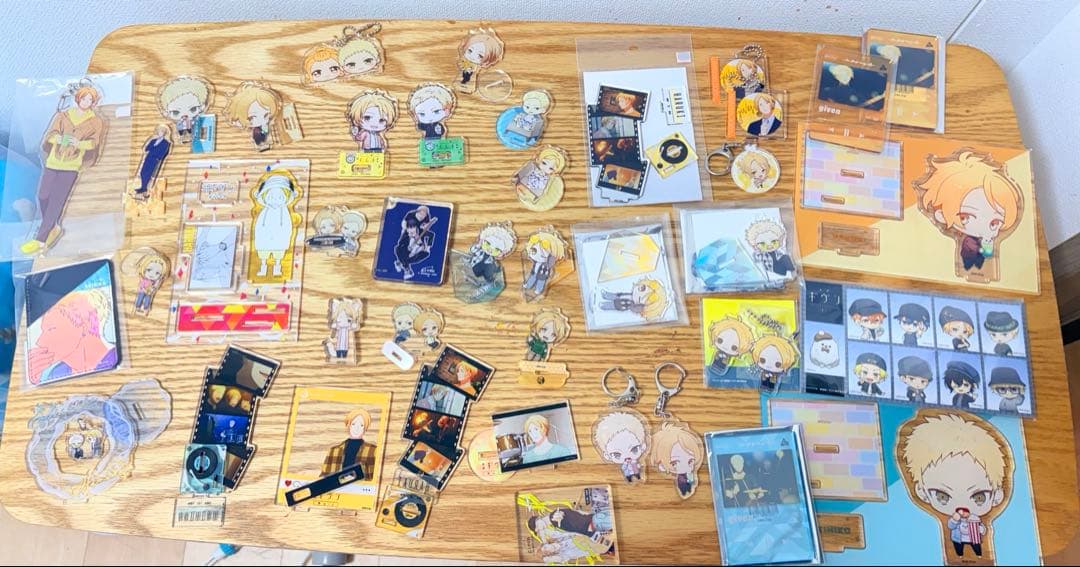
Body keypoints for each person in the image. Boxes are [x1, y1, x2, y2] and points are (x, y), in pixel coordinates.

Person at [899, 412, 1010, 561]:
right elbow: (951, 526)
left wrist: (980, 529)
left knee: (976, 549)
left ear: (997, 495)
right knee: (958, 549)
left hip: (976, 540)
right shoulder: (948, 523)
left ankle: (975, 555)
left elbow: (982, 529)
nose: (962, 506)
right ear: (922, 492)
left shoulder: (975, 518)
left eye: (979, 497)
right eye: (942, 496)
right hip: (956, 539)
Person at [21, 82, 107, 255]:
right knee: (43, 196)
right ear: (78, 98)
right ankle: (52, 226)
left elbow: (94, 143)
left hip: (72, 165)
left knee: (57, 200)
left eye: (90, 100)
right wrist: (60, 139)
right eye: (84, 98)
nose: (86, 102)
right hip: (53, 161)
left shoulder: (96, 121)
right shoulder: (63, 115)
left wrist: (79, 143)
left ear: (94, 102)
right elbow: (50, 135)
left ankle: (40, 240)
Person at [914, 150, 1024, 274]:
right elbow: (977, 257)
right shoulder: (966, 242)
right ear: (941, 216)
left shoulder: (986, 239)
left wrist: (987, 242)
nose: (984, 226)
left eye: (994, 222)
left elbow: (988, 254)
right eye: (965, 217)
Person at [27, 288, 117, 384]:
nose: (40, 342)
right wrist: (39, 382)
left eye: (51, 329)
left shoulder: (114, 359)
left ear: (84, 326)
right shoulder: (57, 373)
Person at [250, 171, 300, 279]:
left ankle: (277, 268)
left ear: (287, 197)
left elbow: (287, 226)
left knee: (278, 254)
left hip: (279, 238)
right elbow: (259, 226)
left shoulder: (284, 212)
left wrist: (285, 236)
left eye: (280, 197)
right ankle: (263, 268)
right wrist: (260, 236)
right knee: (263, 254)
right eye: (271, 197)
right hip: (264, 238)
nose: (275, 201)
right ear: (264, 196)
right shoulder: (264, 211)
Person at [650, 421, 704, 499]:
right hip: (680, 482)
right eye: (675, 463)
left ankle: (687, 489)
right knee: (683, 485)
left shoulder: (690, 473)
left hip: (689, 479)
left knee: (689, 482)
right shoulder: (679, 477)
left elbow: (692, 479)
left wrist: (691, 479)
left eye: (690, 460)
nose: (686, 465)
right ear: (662, 465)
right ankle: (685, 490)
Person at [593, 411, 649, 483]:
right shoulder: (624, 465)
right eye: (617, 455)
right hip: (627, 474)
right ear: (607, 456)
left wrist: (638, 466)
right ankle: (630, 479)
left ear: (643, 446)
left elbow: (637, 466)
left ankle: (637, 477)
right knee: (629, 477)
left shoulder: (634, 461)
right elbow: (624, 468)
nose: (627, 456)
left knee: (637, 475)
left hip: (636, 472)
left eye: (634, 450)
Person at [322, 408, 378, 480]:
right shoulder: (334, 451)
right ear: (348, 425)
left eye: (361, 425)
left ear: (365, 428)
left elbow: (374, 479)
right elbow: (323, 478)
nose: (357, 428)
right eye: (353, 424)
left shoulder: (373, 451)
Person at [156, 76, 212, 144]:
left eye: (193, 109)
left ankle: (191, 137)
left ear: (202, 106)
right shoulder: (179, 122)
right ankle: (183, 138)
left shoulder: (194, 119)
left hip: (191, 128)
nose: (185, 114)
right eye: (176, 112)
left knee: (191, 132)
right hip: (181, 128)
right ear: (166, 112)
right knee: (182, 134)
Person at [393, 206, 437, 280]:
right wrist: (408, 231)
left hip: (419, 232)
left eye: (424, 215)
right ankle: (406, 268)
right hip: (409, 230)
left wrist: (426, 226)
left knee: (430, 236)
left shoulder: (426, 217)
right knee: (400, 249)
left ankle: (400, 263)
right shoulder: (410, 214)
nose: (422, 216)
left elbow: (426, 225)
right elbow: (404, 224)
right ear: (417, 212)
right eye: (421, 214)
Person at [521, 227, 567, 298]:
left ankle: (538, 289)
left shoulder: (550, 258)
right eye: (534, 250)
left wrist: (552, 258)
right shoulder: (535, 260)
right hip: (534, 270)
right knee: (532, 277)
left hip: (543, 272)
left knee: (541, 281)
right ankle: (528, 285)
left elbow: (551, 262)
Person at [598, 278, 671, 322]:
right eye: (642, 288)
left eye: (643, 299)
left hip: (622, 304)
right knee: (615, 296)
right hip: (620, 296)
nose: (639, 294)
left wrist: (634, 306)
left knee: (613, 305)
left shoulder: (637, 306)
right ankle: (606, 295)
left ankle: (604, 306)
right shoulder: (631, 294)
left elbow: (636, 309)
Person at [135, 124, 172, 198]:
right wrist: (152, 145)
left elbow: (164, 152)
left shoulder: (166, 143)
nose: (161, 133)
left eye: (162, 131)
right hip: (148, 157)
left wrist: (158, 158)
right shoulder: (153, 140)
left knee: (148, 173)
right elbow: (147, 148)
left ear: (164, 133)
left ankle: (145, 189)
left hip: (155, 159)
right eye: (160, 131)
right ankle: (143, 187)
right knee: (142, 172)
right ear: (158, 132)